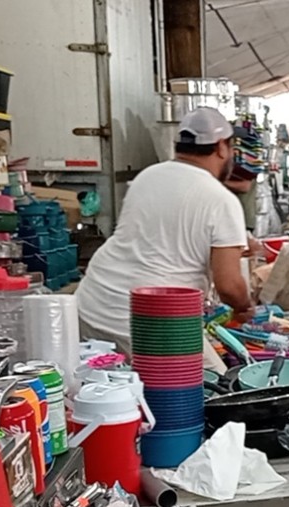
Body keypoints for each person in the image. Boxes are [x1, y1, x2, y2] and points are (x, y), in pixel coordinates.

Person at [76, 107, 251, 353]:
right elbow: (229, 285)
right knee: (215, 384)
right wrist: (245, 307)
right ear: (222, 147)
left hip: (93, 304)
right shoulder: (221, 199)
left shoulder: (147, 177)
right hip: (152, 321)